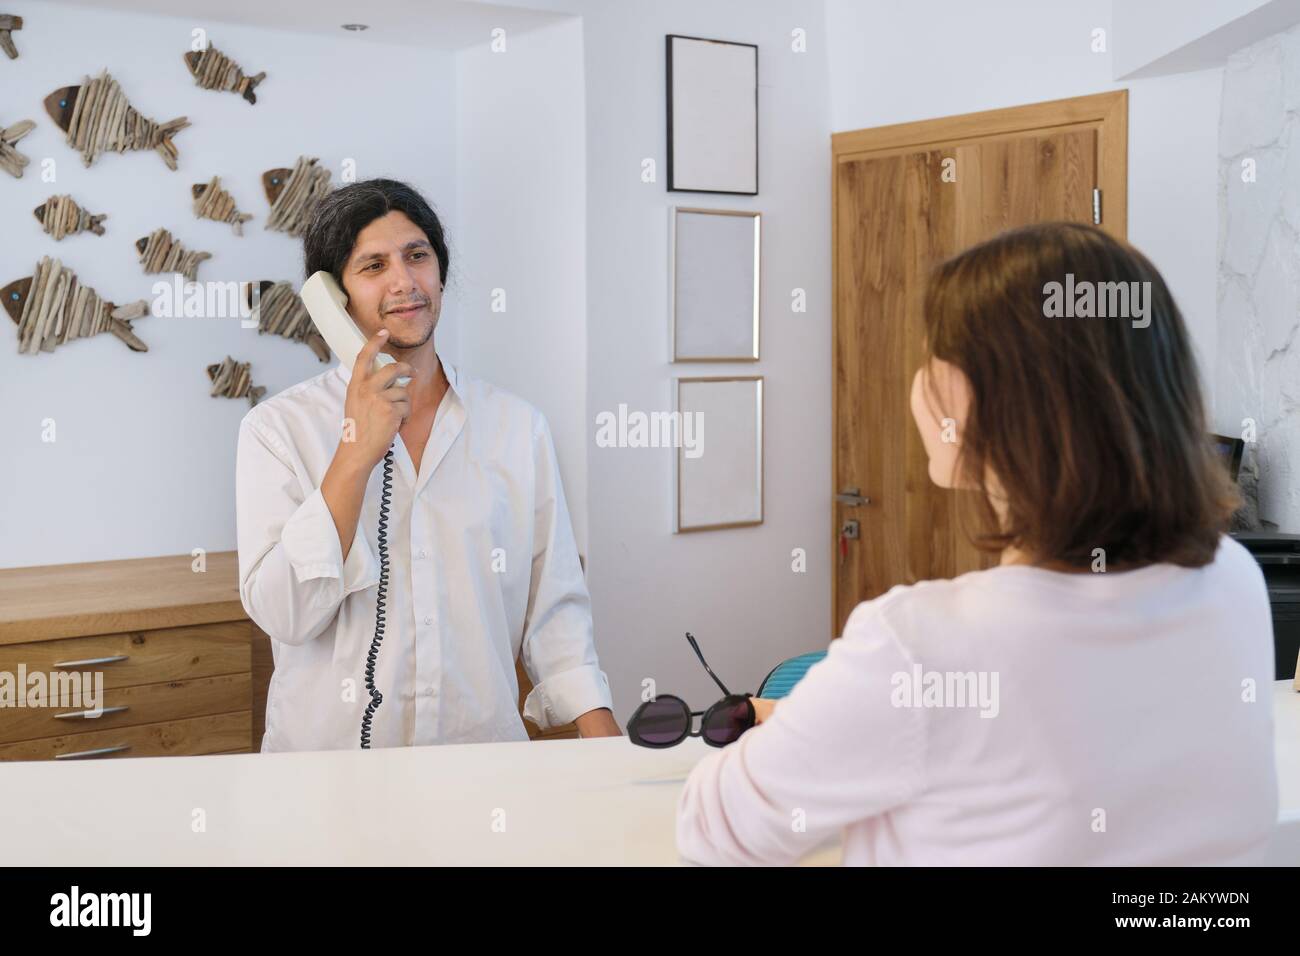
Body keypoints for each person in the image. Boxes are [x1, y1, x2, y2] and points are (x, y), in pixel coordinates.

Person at [676, 222, 1278, 865]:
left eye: (932, 355)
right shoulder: (1236, 580)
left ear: (974, 401)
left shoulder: (917, 643)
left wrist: (838, 723)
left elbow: (714, 828)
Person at [236, 178, 620, 751]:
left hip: (480, 769)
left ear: (440, 271)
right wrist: (355, 453)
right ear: (332, 299)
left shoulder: (518, 428)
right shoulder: (278, 430)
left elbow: (555, 610)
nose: (404, 281)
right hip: (327, 782)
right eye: (373, 266)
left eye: (418, 256)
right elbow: (285, 614)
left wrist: (608, 748)